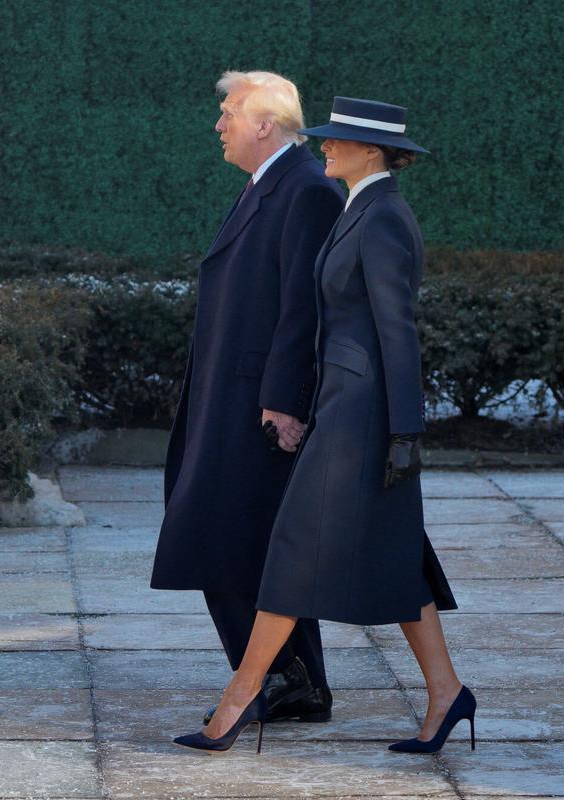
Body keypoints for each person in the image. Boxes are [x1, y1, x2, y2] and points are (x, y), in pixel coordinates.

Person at [174, 97, 475, 756]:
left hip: (361, 418)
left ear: (369, 151)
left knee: (290, 550)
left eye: (337, 140)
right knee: (399, 559)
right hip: (342, 406)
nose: (325, 147)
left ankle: (241, 696)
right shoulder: (358, 208)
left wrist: (404, 433)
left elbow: (399, 334)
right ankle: (448, 692)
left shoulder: (385, 217)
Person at [150, 71, 344, 725]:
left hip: (258, 407)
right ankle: (298, 681)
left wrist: (287, 400)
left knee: (227, 538)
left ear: (265, 123)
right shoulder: (267, 187)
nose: (219, 124)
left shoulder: (307, 191)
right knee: (243, 541)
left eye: (229, 112)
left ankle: (284, 678)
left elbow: (304, 305)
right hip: (230, 400)